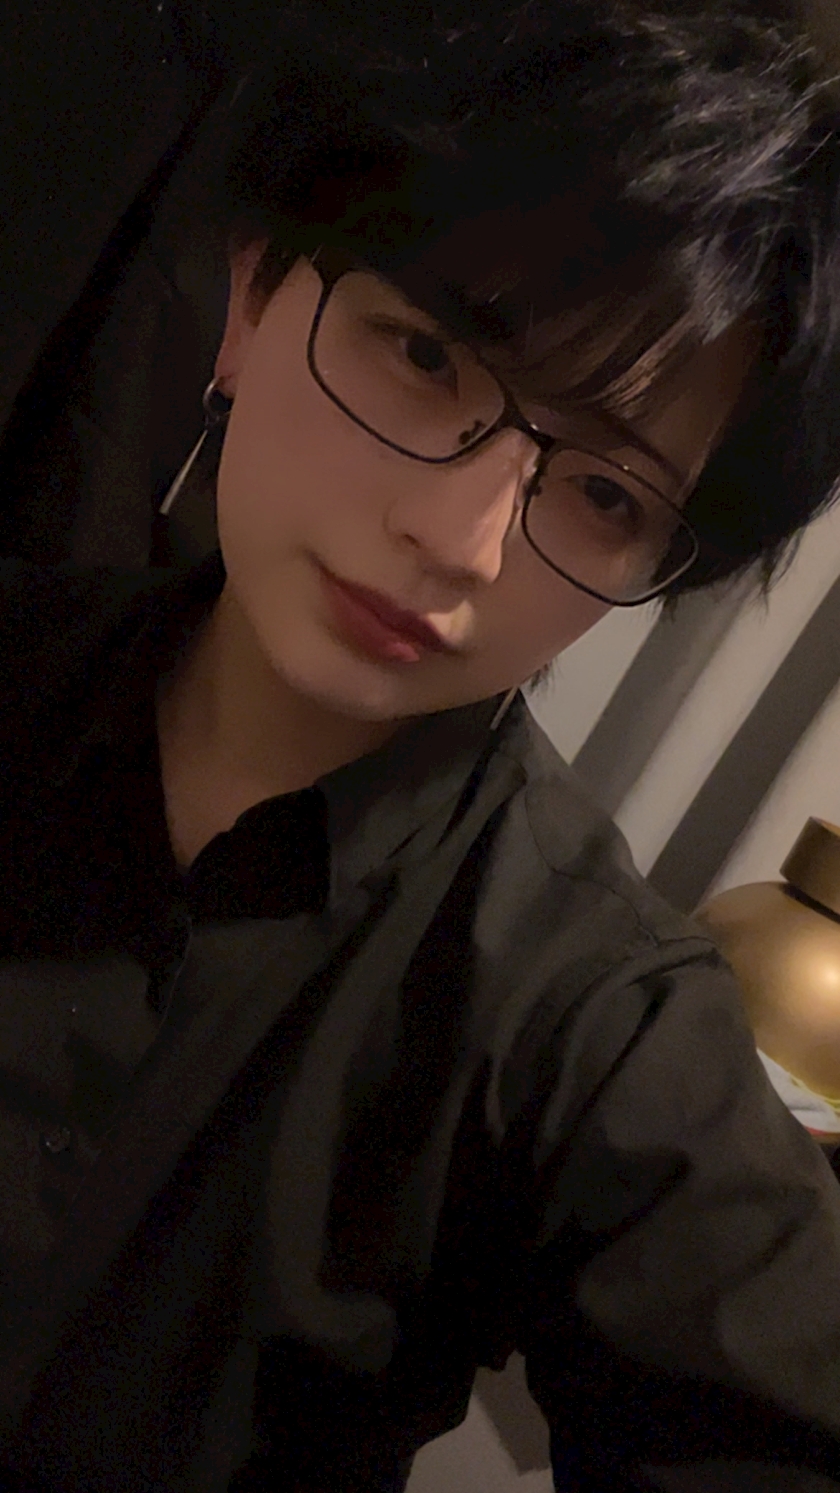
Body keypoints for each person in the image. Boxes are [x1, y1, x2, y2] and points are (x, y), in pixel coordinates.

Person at [3, 2, 840, 1489]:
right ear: (253, 296)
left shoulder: (585, 1018)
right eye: (426, 354)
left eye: (604, 496)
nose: (459, 542)